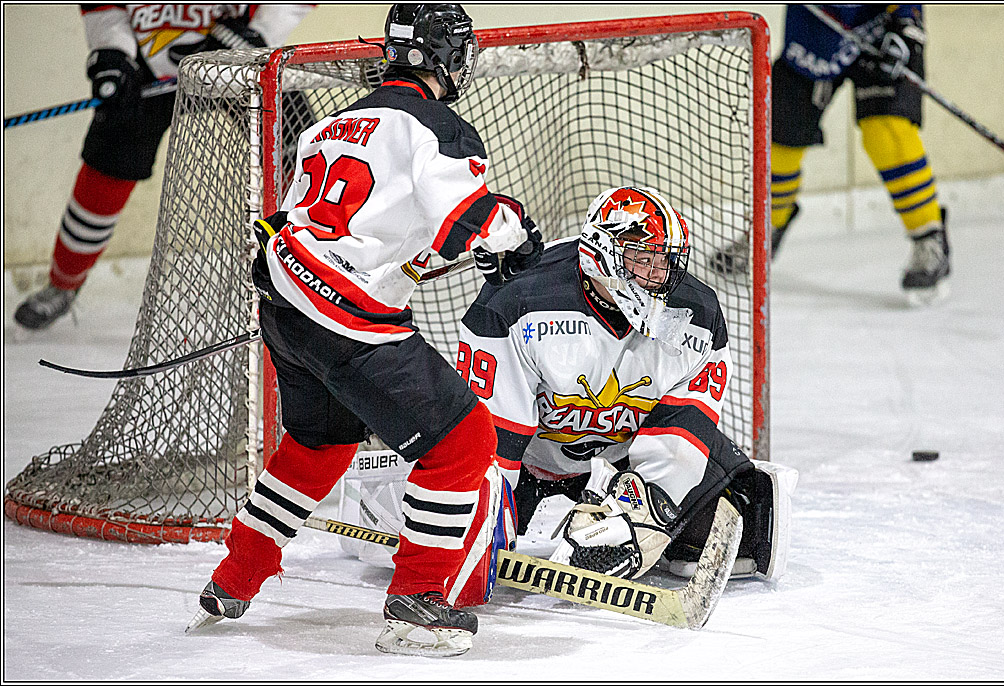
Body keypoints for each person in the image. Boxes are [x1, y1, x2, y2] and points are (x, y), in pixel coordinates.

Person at [188, 4, 542, 658]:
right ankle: (418, 601)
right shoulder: (441, 128)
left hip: (287, 308)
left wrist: (469, 247)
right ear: (452, 56)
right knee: (464, 440)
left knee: (320, 442)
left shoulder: (327, 126)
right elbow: (470, 214)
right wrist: (514, 235)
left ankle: (236, 573)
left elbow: (388, 239)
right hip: (346, 318)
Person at [456, 186, 797, 582]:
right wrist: (487, 522)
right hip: (529, 459)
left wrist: (641, 514)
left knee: (743, 513)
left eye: (664, 262)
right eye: (641, 260)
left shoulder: (697, 315)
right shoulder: (515, 303)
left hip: (621, 461)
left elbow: (680, 437)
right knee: (465, 535)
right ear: (600, 252)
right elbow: (493, 439)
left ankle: (651, 533)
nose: (656, 276)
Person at [14, 3, 314, 330]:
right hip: (147, 64)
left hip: (241, 54)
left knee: (300, 153)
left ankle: (316, 272)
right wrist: (113, 52)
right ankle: (64, 282)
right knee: (109, 166)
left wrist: (260, 31)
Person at [709, 5, 950, 306]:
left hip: (882, 26)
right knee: (781, 141)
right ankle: (767, 229)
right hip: (816, 30)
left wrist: (906, 23)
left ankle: (928, 239)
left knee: (887, 133)